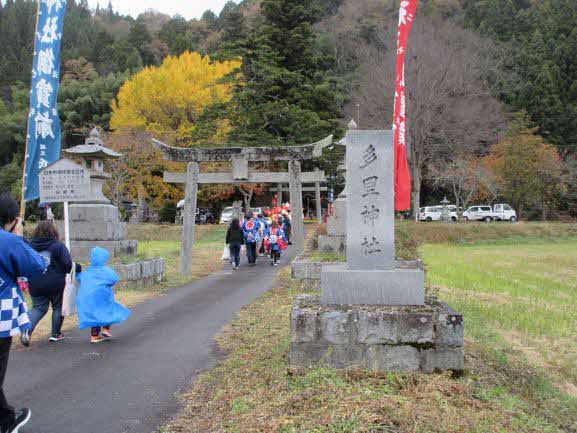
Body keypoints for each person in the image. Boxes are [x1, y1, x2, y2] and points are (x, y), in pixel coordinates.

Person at [0, 194, 46, 432]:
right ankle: (6, 421)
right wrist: (16, 237)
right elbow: (37, 266)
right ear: (11, 219)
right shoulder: (8, 241)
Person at [21, 221, 74, 346]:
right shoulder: (58, 246)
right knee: (57, 307)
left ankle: (27, 330)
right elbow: (68, 265)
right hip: (56, 283)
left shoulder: (30, 246)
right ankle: (55, 334)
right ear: (53, 231)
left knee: (38, 308)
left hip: (35, 282)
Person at [76, 247, 130, 344]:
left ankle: (94, 336)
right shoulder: (106, 271)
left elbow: (80, 278)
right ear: (104, 258)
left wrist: (77, 272)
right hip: (103, 297)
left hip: (89, 298)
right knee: (109, 310)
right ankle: (105, 329)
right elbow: (114, 279)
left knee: (95, 316)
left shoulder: (88, 271)